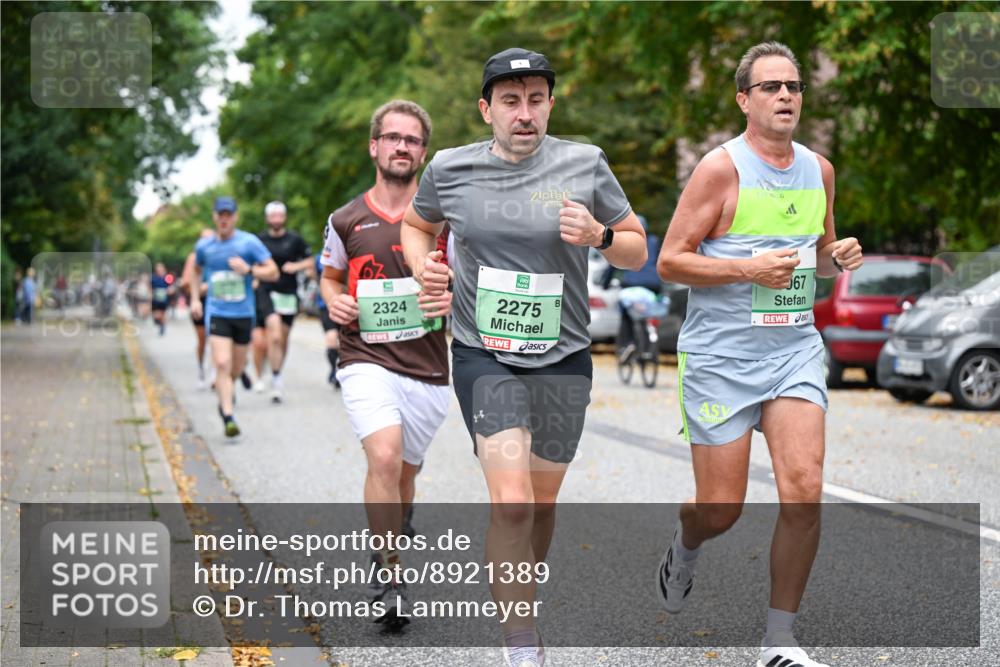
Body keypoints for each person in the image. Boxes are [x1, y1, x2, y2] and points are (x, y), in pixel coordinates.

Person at [401, 49, 647, 666]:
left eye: (536, 98)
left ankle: (520, 598)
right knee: (510, 501)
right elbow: (416, 225)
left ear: (551, 105)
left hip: (564, 357)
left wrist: (602, 236)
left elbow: (638, 250)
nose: (524, 112)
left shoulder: (585, 163)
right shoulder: (450, 169)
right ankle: (520, 644)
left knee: (538, 504)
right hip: (485, 354)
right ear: (486, 109)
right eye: (510, 100)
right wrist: (425, 269)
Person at [655, 42, 863, 667]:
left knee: (804, 487)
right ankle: (687, 543)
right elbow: (669, 261)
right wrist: (748, 267)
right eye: (771, 87)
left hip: (793, 348)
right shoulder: (721, 170)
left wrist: (837, 258)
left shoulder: (818, 170)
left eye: (794, 87)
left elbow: (815, 258)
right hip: (720, 356)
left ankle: (779, 640)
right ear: (744, 99)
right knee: (721, 508)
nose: (786, 97)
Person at [321, 99, 452, 629]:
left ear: (424, 151)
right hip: (364, 357)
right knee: (384, 456)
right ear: (374, 146)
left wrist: (450, 298)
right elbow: (329, 277)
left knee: (403, 473)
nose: (403, 146)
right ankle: (390, 575)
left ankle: (396, 522)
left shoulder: (444, 220)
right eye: (393, 137)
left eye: (413, 140)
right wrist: (333, 300)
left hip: (427, 367)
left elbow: (467, 285)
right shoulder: (345, 219)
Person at [189, 197, 279, 437]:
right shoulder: (204, 247)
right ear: (214, 217)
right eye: (220, 214)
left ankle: (228, 388)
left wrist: (249, 270)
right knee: (221, 363)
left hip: (243, 314)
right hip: (217, 312)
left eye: (228, 214)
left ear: (235, 217)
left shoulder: (248, 243)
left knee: (235, 369)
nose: (224, 218)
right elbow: (195, 273)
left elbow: (273, 271)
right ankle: (228, 415)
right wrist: (195, 299)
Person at [250, 201, 314, 402]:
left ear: (284, 217)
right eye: (273, 216)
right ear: (268, 218)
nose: (276, 219)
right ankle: (266, 376)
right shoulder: (259, 240)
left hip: (288, 293)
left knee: (282, 339)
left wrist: (296, 266)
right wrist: (254, 277)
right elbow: (250, 262)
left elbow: (311, 260)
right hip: (265, 290)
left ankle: (276, 373)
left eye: (280, 215)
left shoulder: (294, 239)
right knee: (271, 336)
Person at [314, 253, 341, 388]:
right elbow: (316, 277)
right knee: (331, 337)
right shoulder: (319, 258)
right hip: (325, 305)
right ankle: (333, 370)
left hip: (347, 303)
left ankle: (342, 369)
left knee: (343, 341)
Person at [151, 262, 171, 336]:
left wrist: (169, 291)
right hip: (156, 299)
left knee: (163, 313)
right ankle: (160, 324)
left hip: (164, 299)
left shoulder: (167, 277)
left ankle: (162, 326)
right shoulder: (153, 278)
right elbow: (151, 287)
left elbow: (170, 286)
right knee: (156, 314)